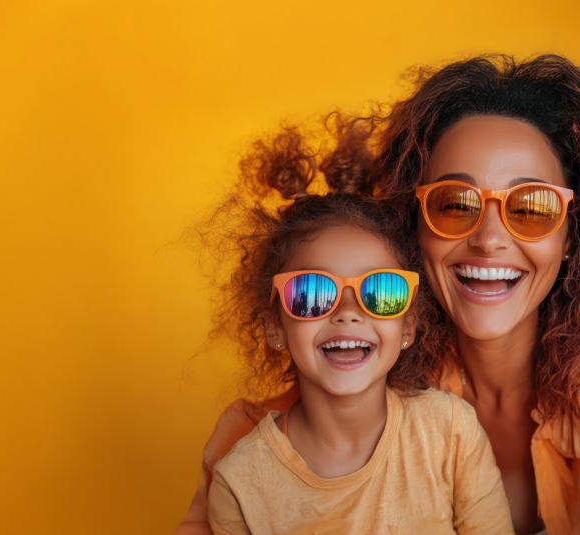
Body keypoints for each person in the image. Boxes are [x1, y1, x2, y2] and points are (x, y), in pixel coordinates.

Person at [177, 55, 580, 535]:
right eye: (455, 204)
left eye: (531, 207)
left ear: (573, 234)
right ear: (412, 226)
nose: (491, 239)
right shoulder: (273, 438)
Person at [201, 128, 514, 534]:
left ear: (408, 324)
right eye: (312, 292)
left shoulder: (450, 432)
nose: (348, 313)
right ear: (274, 327)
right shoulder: (239, 482)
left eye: (381, 291)